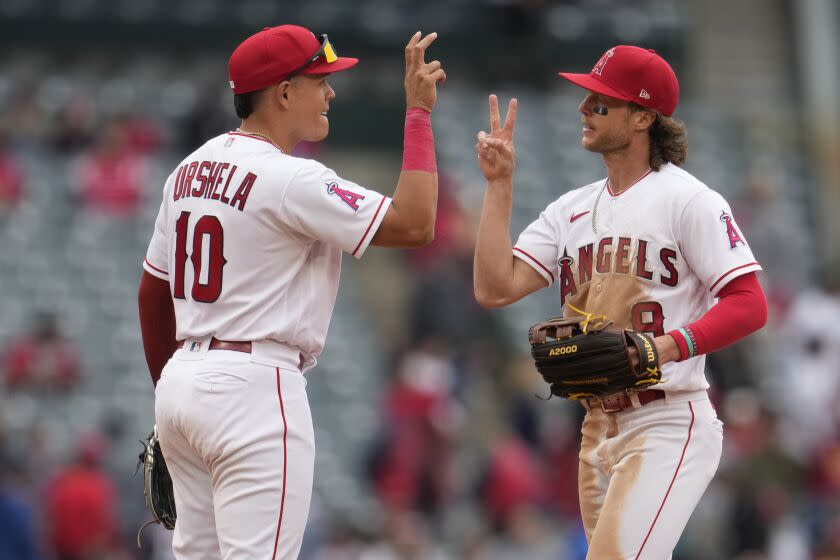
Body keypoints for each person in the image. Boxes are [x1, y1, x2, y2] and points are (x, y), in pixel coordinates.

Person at [137, 25, 445, 559]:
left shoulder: (186, 171)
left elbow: (151, 293)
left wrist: (168, 390)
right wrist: (417, 114)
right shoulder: (289, 177)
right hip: (254, 387)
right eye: (319, 80)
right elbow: (416, 224)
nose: (329, 92)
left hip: (182, 384)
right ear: (282, 92)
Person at [473, 46, 768, 558]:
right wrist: (499, 186)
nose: (584, 109)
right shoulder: (570, 210)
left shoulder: (689, 200)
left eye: (601, 101)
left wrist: (667, 347)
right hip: (596, 427)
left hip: (667, 420)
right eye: (588, 98)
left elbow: (749, 303)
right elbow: (494, 287)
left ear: (643, 117)